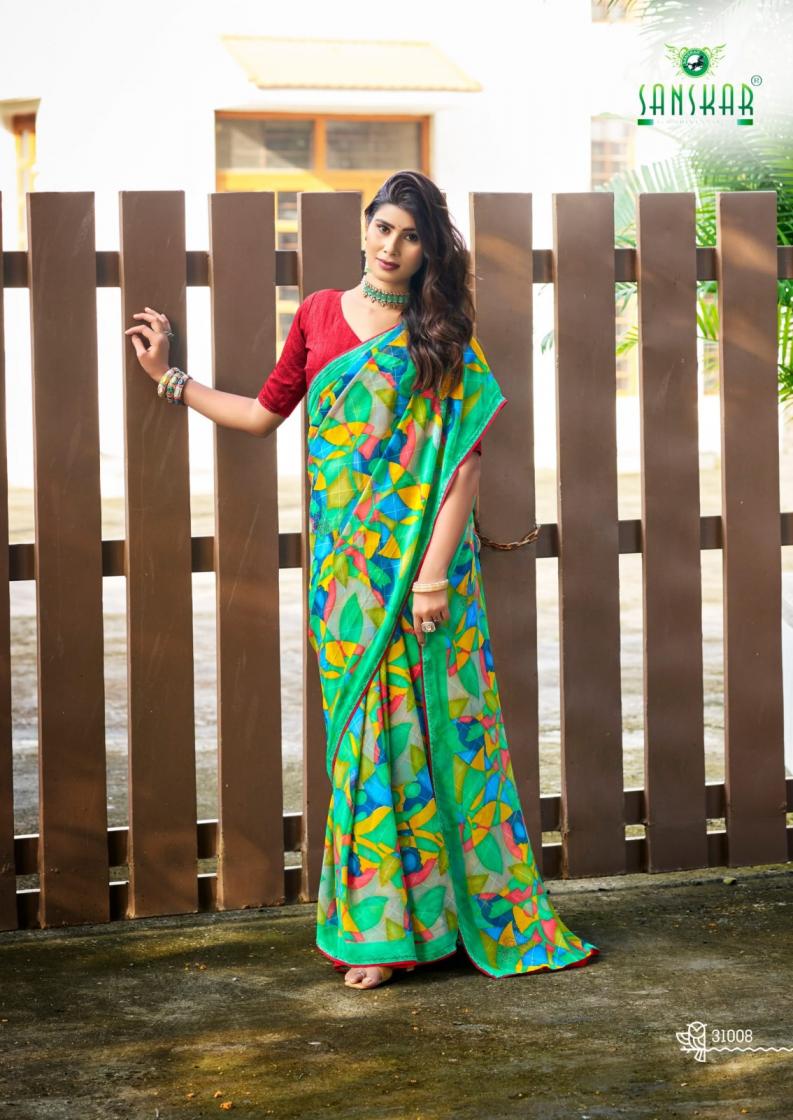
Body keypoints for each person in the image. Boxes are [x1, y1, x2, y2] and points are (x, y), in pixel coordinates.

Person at [125, 170, 599, 991]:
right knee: (364, 745)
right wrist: (171, 378)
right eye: (383, 228)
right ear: (364, 228)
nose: (392, 247)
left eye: (410, 237)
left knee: (437, 737)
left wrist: (432, 575)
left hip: (422, 572)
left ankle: (451, 919)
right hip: (345, 580)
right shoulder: (316, 315)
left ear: (427, 251)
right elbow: (262, 415)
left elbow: (464, 465)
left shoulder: (438, 333)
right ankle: (383, 931)